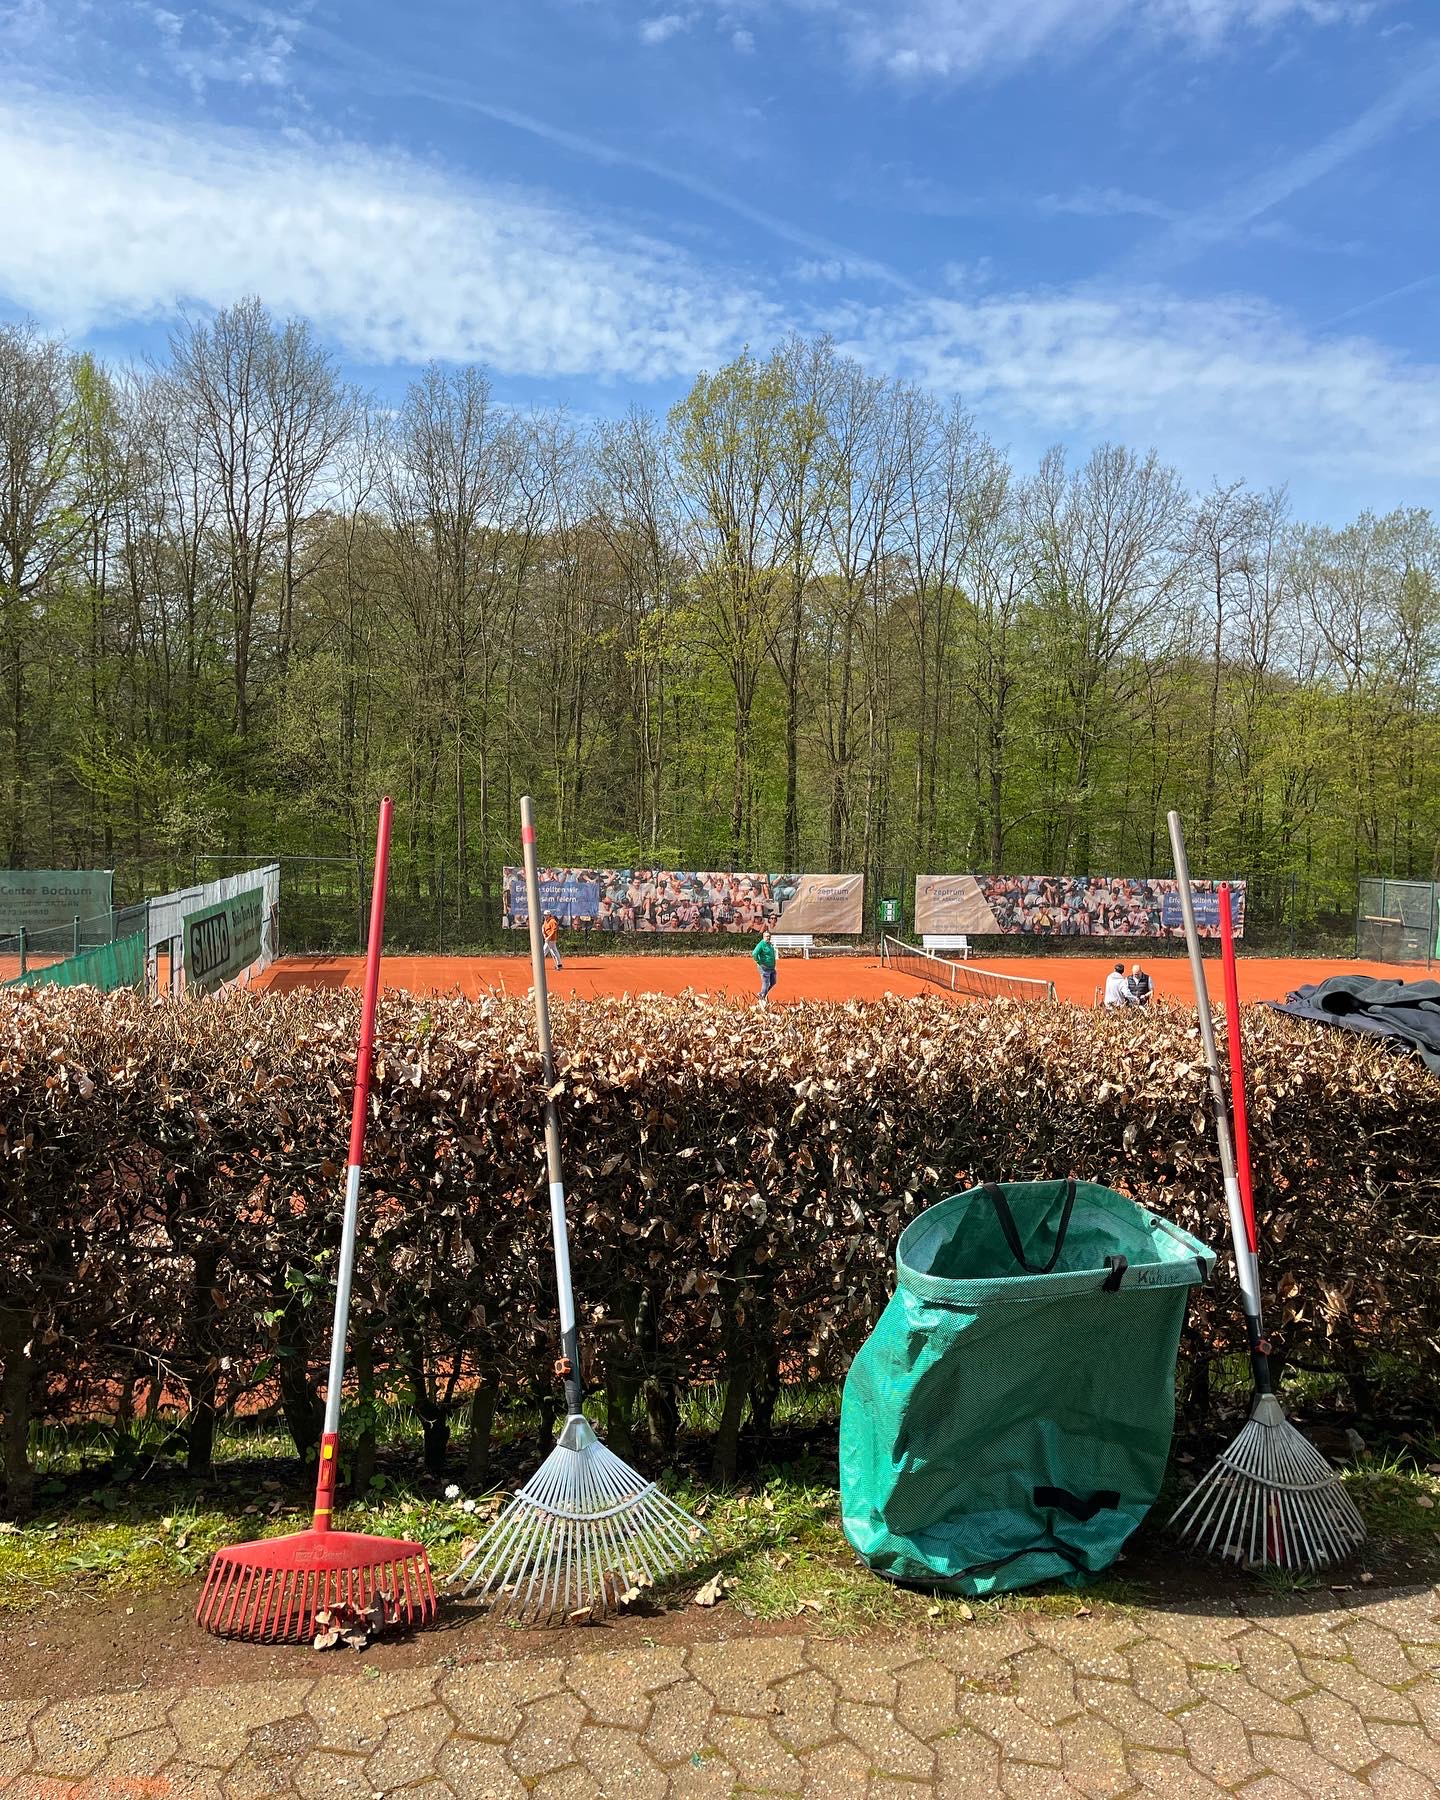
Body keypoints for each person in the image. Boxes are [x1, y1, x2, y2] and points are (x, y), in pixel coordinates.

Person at [753, 927, 777, 1004]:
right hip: (764, 968)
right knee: (766, 983)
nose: (768, 938)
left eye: (769, 936)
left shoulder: (769, 944)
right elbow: (754, 953)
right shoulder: (761, 944)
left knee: (773, 982)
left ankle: (762, 994)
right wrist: (759, 962)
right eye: (767, 936)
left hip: (772, 967)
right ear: (763, 937)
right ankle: (762, 998)